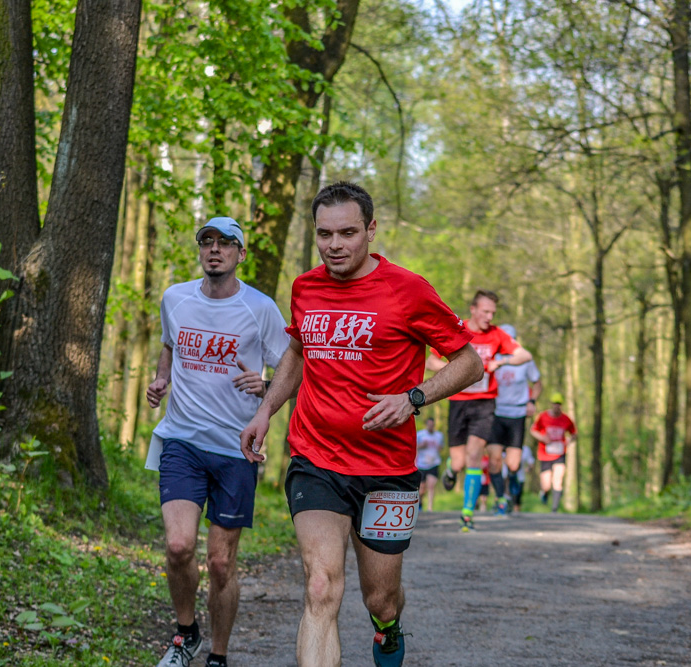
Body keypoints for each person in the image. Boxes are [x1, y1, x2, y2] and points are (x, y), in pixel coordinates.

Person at [239, 182, 482, 667]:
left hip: (388, 469)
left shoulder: (408, 290)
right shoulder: (305, 286)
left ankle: (387, 632)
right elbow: (297, 351)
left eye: (347, 233)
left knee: (380, 599)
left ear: (371, 230)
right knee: (320, 585)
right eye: (325, 234)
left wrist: (413, 398)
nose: (335, 245)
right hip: (317, 457)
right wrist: (266, 409)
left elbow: (469, 362)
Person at [145, 217, 290, 667]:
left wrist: (265, 388)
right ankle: (186, 634)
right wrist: (161, 378)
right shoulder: (175, 298)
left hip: (235, 449)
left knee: (222, 564)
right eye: (207, 241)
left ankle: (219, 656)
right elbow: (170, 343)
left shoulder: (261, 309)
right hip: (181, 441)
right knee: (178, 546)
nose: (215, 250)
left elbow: (293, 369)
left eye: (226, 243)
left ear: (240, 254)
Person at [428, 291, 532, 532]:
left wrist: (502, 361)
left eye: (493, 313)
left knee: (475, 454)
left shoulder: (497, 334)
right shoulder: (458, 329)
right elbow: (430, 361)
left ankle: (467, 514)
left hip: (485, 403)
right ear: (473, 310)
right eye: (485, 312)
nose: (489, 316)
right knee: (459, 460)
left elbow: (524, 355)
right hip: (458, 401)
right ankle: (452, 470)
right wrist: (451, 368)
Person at [487, 324, 542, 514]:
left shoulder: (524, 361)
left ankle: (513, 484)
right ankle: (501, 498)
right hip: (495, 412)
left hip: (517, 414)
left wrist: (532, 401)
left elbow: (537, 383)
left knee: (513, 464)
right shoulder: (491, 359)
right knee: (494, 460)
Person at [530, 393, 578, 513]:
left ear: (561, 405)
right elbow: (533, 430)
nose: (557, 406)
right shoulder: (543, 417)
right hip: (545, 454)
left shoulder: (566, 419)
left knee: (558, 479)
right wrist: (542, 438)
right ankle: (545, 493)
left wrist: (569, 440)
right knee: (546, 484)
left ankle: (555, 508)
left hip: (559, 453)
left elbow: (574, 434)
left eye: (559, 404)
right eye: (555, 404)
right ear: (551, 404)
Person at [415, 417, 443, 512]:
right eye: (429, 424)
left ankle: (430, 507)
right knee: (422, 488)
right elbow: (414, 447)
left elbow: (441, 448)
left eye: (432, 425)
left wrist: (439, 447)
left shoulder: (439, 435)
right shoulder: (420, 435)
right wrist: (421, 446)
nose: (431, 426)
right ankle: (420, 502)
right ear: (426, 425)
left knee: (431, 486)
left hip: (434, 463)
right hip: (422, 464)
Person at [512, 444, 536, 512]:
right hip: (507, 476)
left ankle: (516, 512)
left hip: (520, 476)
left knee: (518, 496)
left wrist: (529, 468)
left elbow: (531, 461)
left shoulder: (526, 449)